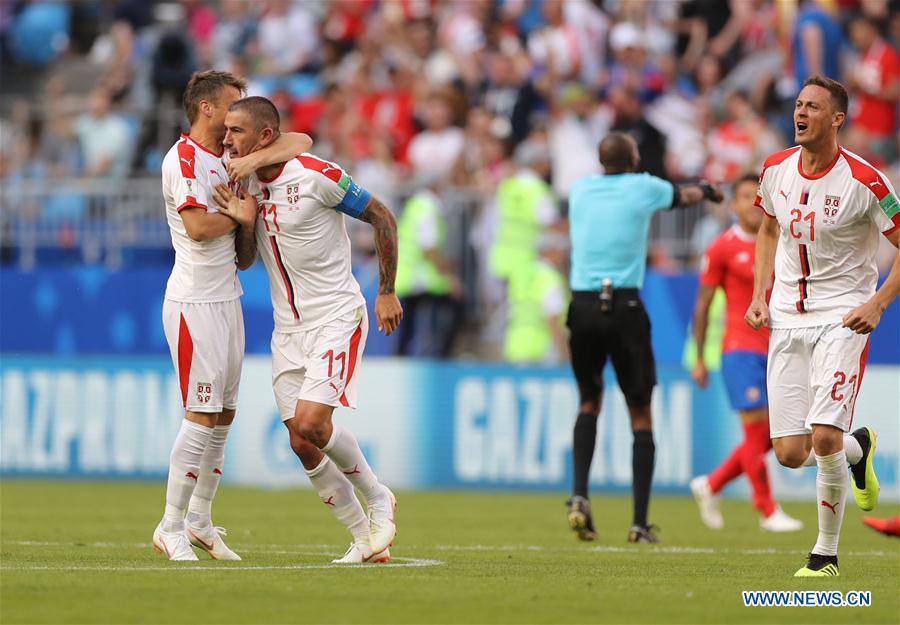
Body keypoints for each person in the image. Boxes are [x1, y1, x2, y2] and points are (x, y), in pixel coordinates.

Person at [215, 96, 403, 564]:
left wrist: (386, 291)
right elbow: (245, 260)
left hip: (336, 316)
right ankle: (363, 539)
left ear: (264, 136)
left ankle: (378, 498)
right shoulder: (247, 184)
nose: (226, 138)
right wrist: (244, 223)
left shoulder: (317, 175)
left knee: (313, 424)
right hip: (287, 331)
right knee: (301, 441)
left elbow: (382, 216)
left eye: (236, 130)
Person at [154, 71, 312, 561]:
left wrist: (253, 167)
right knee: (201, 413)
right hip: (194, 301)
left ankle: (200, 519)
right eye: (231, 104)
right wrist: (241, 216)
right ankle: (170, 525)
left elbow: (301, 140)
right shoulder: (183, 159)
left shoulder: (228, 160)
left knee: (223, 415)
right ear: (206, 108)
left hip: (227, 297)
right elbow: (199, 228)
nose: (237, 114)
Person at [746, 75, 900, 577]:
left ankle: (825, 555)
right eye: (798, 104)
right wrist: (759, 294)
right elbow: (768, 228)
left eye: (813, 106)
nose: (801, 112)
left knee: (825, 437)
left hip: (843, 318)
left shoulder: (867, 181)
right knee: (791, 453)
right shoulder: (774, 169)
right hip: (787, 319)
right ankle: (859, 448)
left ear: (837, 119)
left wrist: (878, 304)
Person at [566, 131, 723, 543]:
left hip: (582, 306)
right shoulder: (643, 186)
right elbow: (684, 197)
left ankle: (579, 495)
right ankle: (638, 523)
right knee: (640, 413)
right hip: (625, 306)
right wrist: (708, 190)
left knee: (588, 401)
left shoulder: (580, 190)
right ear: (634, 159)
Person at [689, 172, 803, 533]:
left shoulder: (784, 241)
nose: (752, 204)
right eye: (744, 197)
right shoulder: (722, 248)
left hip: (780, 347)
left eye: (758, 196)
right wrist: (698, 358)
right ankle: (766, 509)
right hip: (739, 349)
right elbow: (703, 304)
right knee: (757, 433)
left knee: (773, 435)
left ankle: (712, 484)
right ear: (734, 204)